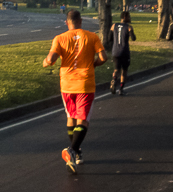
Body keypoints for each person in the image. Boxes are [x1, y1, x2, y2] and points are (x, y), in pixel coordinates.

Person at [43, 9, 106, 172]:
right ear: (80, 21)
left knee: (71, 117)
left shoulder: (60, 38)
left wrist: (46, 62)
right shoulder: (92, 36)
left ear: (67, 22)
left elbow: (51, 59)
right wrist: (94, 64)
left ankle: (77, 153)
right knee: (83, 120)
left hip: (67, 84)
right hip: (85, 83)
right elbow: (104, 57)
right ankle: (72, 150)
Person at [109, 10, 136, 95]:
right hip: (124, 51)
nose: (130, 18)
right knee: (124, 71)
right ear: (125, 17)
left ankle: (113, 79)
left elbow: (109, 38)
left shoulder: (114, 26)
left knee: (116, 69)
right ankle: (121, 89)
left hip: (115, 51)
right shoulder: (128, 27)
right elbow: (133, 38)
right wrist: (131, 31)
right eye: (129, 16)